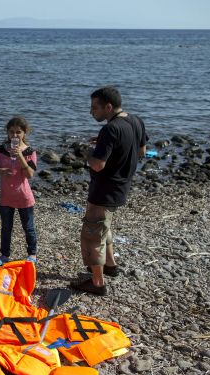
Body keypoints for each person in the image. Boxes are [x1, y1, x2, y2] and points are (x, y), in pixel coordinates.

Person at [71, 87, 147, 295]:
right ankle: (110, 265)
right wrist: (107, 145)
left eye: (95, 107)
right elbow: (141, 151)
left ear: (109, 106)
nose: (91, 112)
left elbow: (97, 165)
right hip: (122, 186)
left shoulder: (110, 129)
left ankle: (97, 283)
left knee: (93, 234)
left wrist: (87, 152)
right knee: (105, 227)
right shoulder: (135, 120)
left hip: (104, 189)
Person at [0, 116, 38, 265]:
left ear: (25, 133)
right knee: (6, 228)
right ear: (7, 132)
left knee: (28, 227)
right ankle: (4, 255)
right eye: (12, 132)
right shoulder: (1, 150)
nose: (15, 135)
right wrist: (0, 171)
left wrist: (20, 156)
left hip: (24, 196)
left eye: (18, 132)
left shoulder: (30, 152)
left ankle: (32, 254)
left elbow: (30, 174)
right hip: (6, 196)